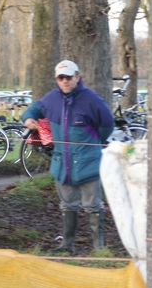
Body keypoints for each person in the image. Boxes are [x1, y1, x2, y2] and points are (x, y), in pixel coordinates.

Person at [22, 60, 114, 253]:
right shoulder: (51, 99)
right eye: (61, 77)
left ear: (77, 77)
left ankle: (99, 247)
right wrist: (28, 119)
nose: (65, 81)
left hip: (88, 163)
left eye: (69, 77)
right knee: (67, 205)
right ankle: (67, 244)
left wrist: (94, 143)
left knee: (93, 205)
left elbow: (107, 125)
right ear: (57, 79)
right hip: (62, 165)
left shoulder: (92, 99)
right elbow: (32, 110)